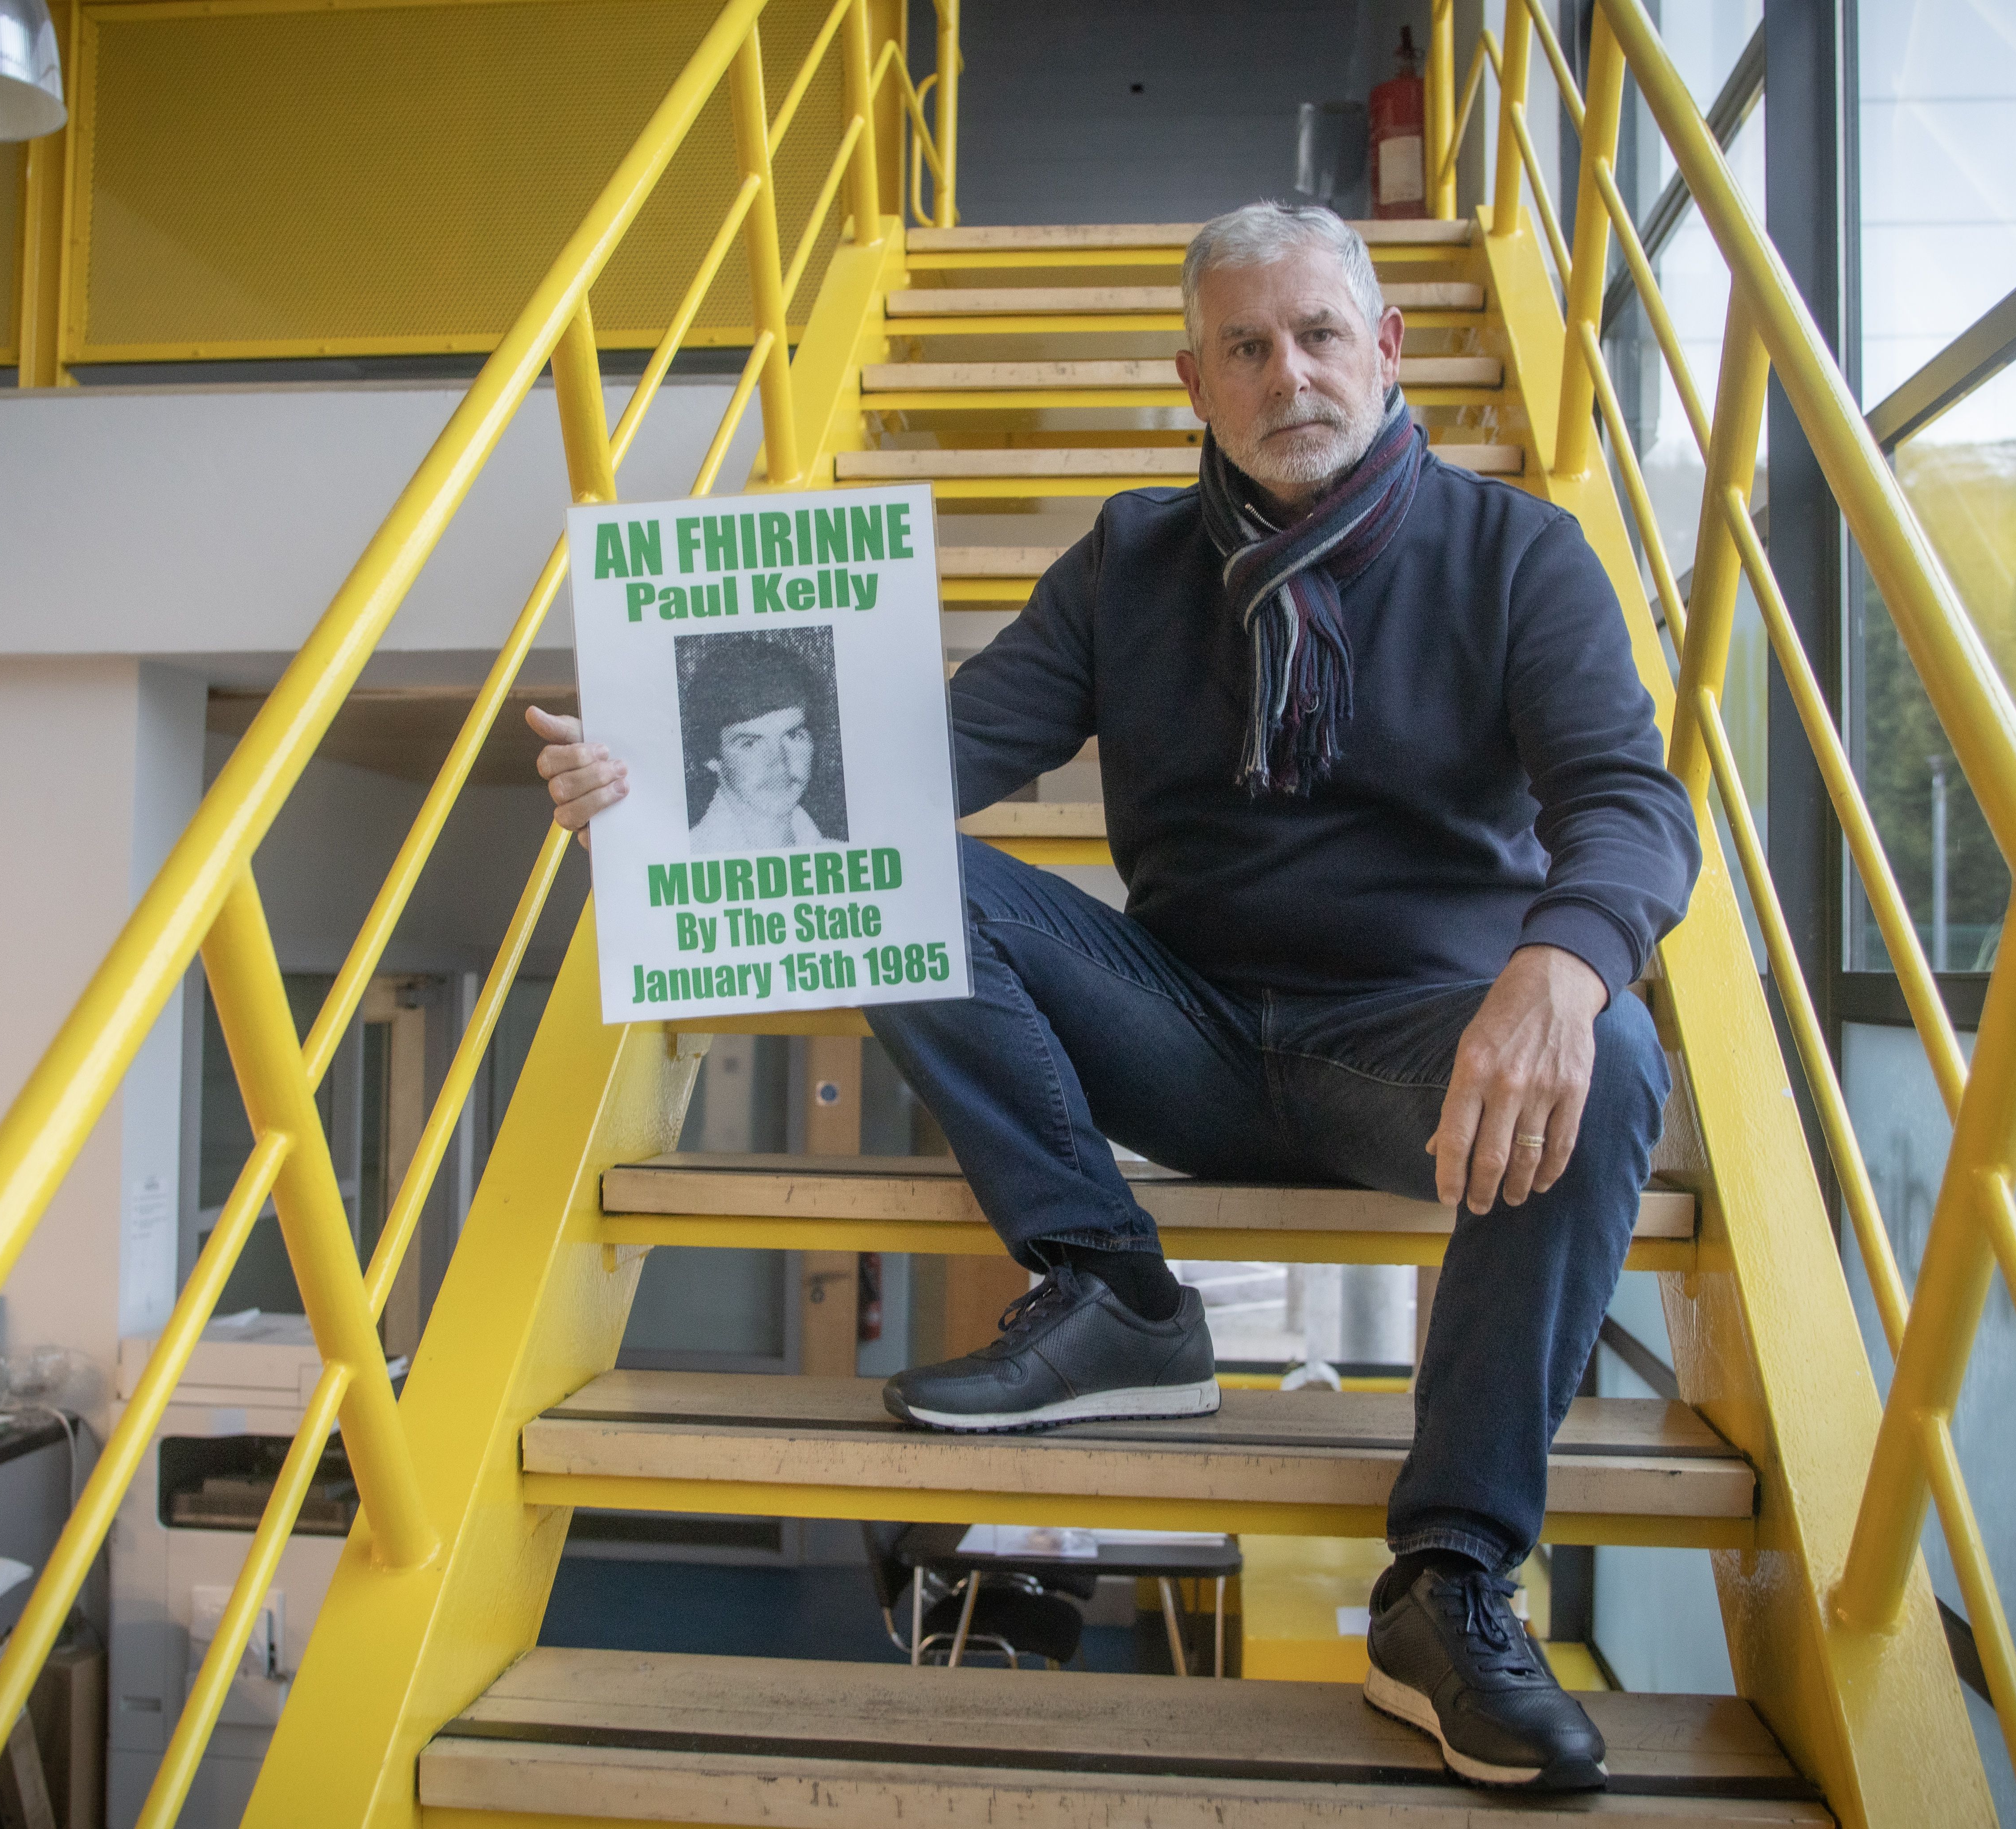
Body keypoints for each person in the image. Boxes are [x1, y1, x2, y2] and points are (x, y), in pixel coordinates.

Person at [528, 200, 1697, 1794]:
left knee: (1612, 1055)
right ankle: (1116, 1294)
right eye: (1244, 347)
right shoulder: (1128, 560)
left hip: (1410, 1048)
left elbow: (1630, 803)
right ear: (1191, 380)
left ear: (1387, 347)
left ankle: (1446, 1586)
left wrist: (1560, 966)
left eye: (1316, 335)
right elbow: (904, 770)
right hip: (1183, 1031)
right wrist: (651, 783)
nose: (1287, 373)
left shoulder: (1514, 554)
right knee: (883, 869)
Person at [679, 637, 840, 853]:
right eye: (750, 744)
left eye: (793, 736)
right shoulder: (691, 855)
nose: (779, 764)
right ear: (713, 759)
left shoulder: (839, 851)